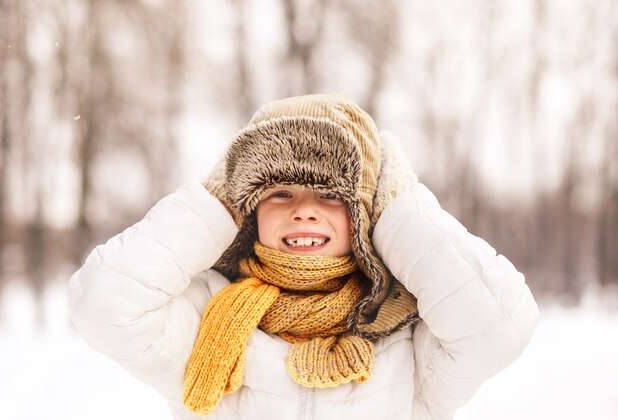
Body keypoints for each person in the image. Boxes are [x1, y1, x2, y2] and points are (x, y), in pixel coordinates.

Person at [67, 94, 539, 419]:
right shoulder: (204, 313)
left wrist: (398, 207)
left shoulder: (408, 328)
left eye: (332, 196)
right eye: (280, 193)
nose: (305, 212)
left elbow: (499, 330)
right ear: (248, 211)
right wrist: (217, 198)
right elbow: (102, 306)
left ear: (364, 212)